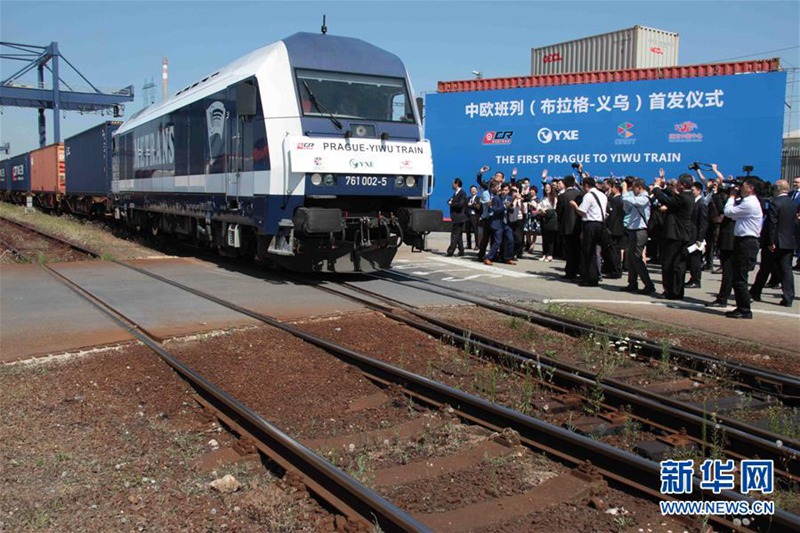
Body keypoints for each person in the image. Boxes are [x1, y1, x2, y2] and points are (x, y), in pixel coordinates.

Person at [723, 178, 764, 319]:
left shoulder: (750, 203)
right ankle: (741, 307)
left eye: (743, 186)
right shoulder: (748, 202)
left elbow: (728, 212)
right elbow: (735, 217)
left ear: (751, 188)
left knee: (740, 278)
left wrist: (731, 197)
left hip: (747, 242)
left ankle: (745, 309)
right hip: (743, 241)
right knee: (738, 276)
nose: (740, 188)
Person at [650, 171, 694, 300]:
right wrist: (664, 187)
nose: (677, 185)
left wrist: (656, 187)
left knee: (669, 264)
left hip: (675, 235)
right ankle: (676, 291)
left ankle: (670, 291)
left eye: (678, 183)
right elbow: (673, 196)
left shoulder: (683, 198)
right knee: (678, 265)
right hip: (681, 235)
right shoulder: (688, 196)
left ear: (683, 184)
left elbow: (665, 199)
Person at [751, 179, 795, 307]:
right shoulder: (792, 203)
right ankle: (788, 297)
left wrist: (770, 241)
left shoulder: (775, 203)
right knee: (786, 270)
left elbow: (772, 224)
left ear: (777, 189)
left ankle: (755, 292)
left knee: (765, 268)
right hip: (788, 240)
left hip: (775, 241)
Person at [570, 177, 607, 287]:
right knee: (595, 251)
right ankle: (594, 276)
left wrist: (575, 206)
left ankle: (588, 278)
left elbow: (582, 211)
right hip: (600, 224)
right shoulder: (602, 195)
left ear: (586, 185)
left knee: (587, 252)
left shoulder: (588, 196)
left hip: (590, 224)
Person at [557, 175, 582, 279]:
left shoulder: (562, 196)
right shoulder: (580, 194)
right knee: (578, 249)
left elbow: (559, 212)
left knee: (570, 251)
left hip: (567, 226)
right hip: (579, 226)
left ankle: (570, 272)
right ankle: (579, 269)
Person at [485, 180, 515, 265]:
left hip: (506, 223)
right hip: (497, 223)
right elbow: (495, 210)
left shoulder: (510, 198)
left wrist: (510, 207)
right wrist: (504, 206)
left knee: (511, 240)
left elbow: (512, 211)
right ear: (501, 190)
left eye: (506, 190)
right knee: (498, 241)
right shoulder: (496, 198)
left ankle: (508, 258)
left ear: (509, 191)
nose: (505, 192)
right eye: (503, 190)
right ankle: (488, 258)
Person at [686, 182, 708, 288]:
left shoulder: (701, 203)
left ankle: (696, 280)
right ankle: (692, 277)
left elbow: (703, 222)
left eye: (693, 190)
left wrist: (700, 238)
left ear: (699, 191)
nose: (692, 192)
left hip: (696, 235)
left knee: (695, 259)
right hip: (690, 233)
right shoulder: (693, 202)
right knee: (691, 259)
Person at [602, 180, 625, 279]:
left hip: (614, 229)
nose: (611, 189)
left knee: (614, 251)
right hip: (618, 228)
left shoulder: (616, 200)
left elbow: (613, 216)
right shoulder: (618, 199)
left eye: (613, 188)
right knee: (615, 250)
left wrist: (609, 227)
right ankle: (613, 269)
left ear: (617, 189)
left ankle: (615, 271)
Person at [446, 178, 468, 257]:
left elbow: (460, 204)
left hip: (459, 217)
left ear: (456, 184)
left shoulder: (462, 193)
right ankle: (461, 250)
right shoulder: (456, 193)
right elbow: (451, 200)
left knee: (454, 234)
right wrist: (449, 201)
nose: (452, 185)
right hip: (456, 217)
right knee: (458, 235)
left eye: (453, 183)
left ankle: (450, 251)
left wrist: (451, 203)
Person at [538, 182, 558, 262]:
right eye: (545, 188)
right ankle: (544, 253)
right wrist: (540, 209)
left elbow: (555, 209)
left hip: (551, 219)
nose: (547, 189)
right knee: (544, 237)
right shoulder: (543, 198)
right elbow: (539, 206)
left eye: (548, 187)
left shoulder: (554, 198)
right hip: (544, 219)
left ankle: (550, 254)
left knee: (550, 238)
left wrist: (546, 210)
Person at [466, 185, 481, 249]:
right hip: (468, 216)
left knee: (475, 231)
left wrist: (471, 205)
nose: (473, 191)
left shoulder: (478, 198)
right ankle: (469, 244)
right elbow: (466, 206)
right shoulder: (468, 198)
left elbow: (478, 208)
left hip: (475, 216)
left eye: (474, 190)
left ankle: (477, 245)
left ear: (477, 191)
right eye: (472, 190)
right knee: (467, 230)